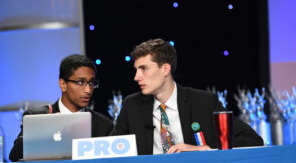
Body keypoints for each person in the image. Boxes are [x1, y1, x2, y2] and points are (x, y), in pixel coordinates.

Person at [111, 38, 263, 155]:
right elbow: (112, 149)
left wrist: (205, 149)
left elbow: (252, 140)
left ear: (165, 69)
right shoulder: (132, 106)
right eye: (136, 70)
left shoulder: (204, 102)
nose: (136, 77)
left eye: (143, 69)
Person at [9, 54, 113, 162]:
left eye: (91, 83)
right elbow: (14, 156)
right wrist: (45, 129)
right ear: (63, 84)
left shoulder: (103, 125)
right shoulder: (37, 116)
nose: (88, 90)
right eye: (81, 82)